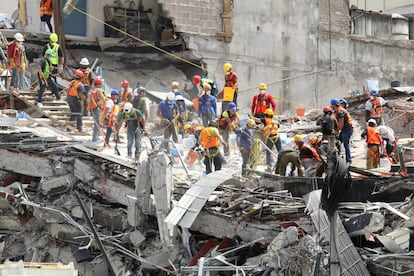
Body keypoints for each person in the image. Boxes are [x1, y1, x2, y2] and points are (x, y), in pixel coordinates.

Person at [331, 98, 353, 165]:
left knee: (346, 144)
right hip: (344, 129)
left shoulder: (340, 112)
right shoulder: (338, 110)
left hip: (347, 129)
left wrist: (337, 131)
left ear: (334, 105)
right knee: (338, 141)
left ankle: (348, 160)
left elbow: (341, 124)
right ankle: (337, 157)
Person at [87, 77, 105, 142]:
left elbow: (88, 101)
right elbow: (103, 99)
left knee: (96, 123)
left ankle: (95, 137)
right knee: (97, 124)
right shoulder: (99, 90)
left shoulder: (91, 90)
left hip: (92, 109)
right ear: (98, 84)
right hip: (97, 108)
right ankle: (95, 138)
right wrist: (99, 104)